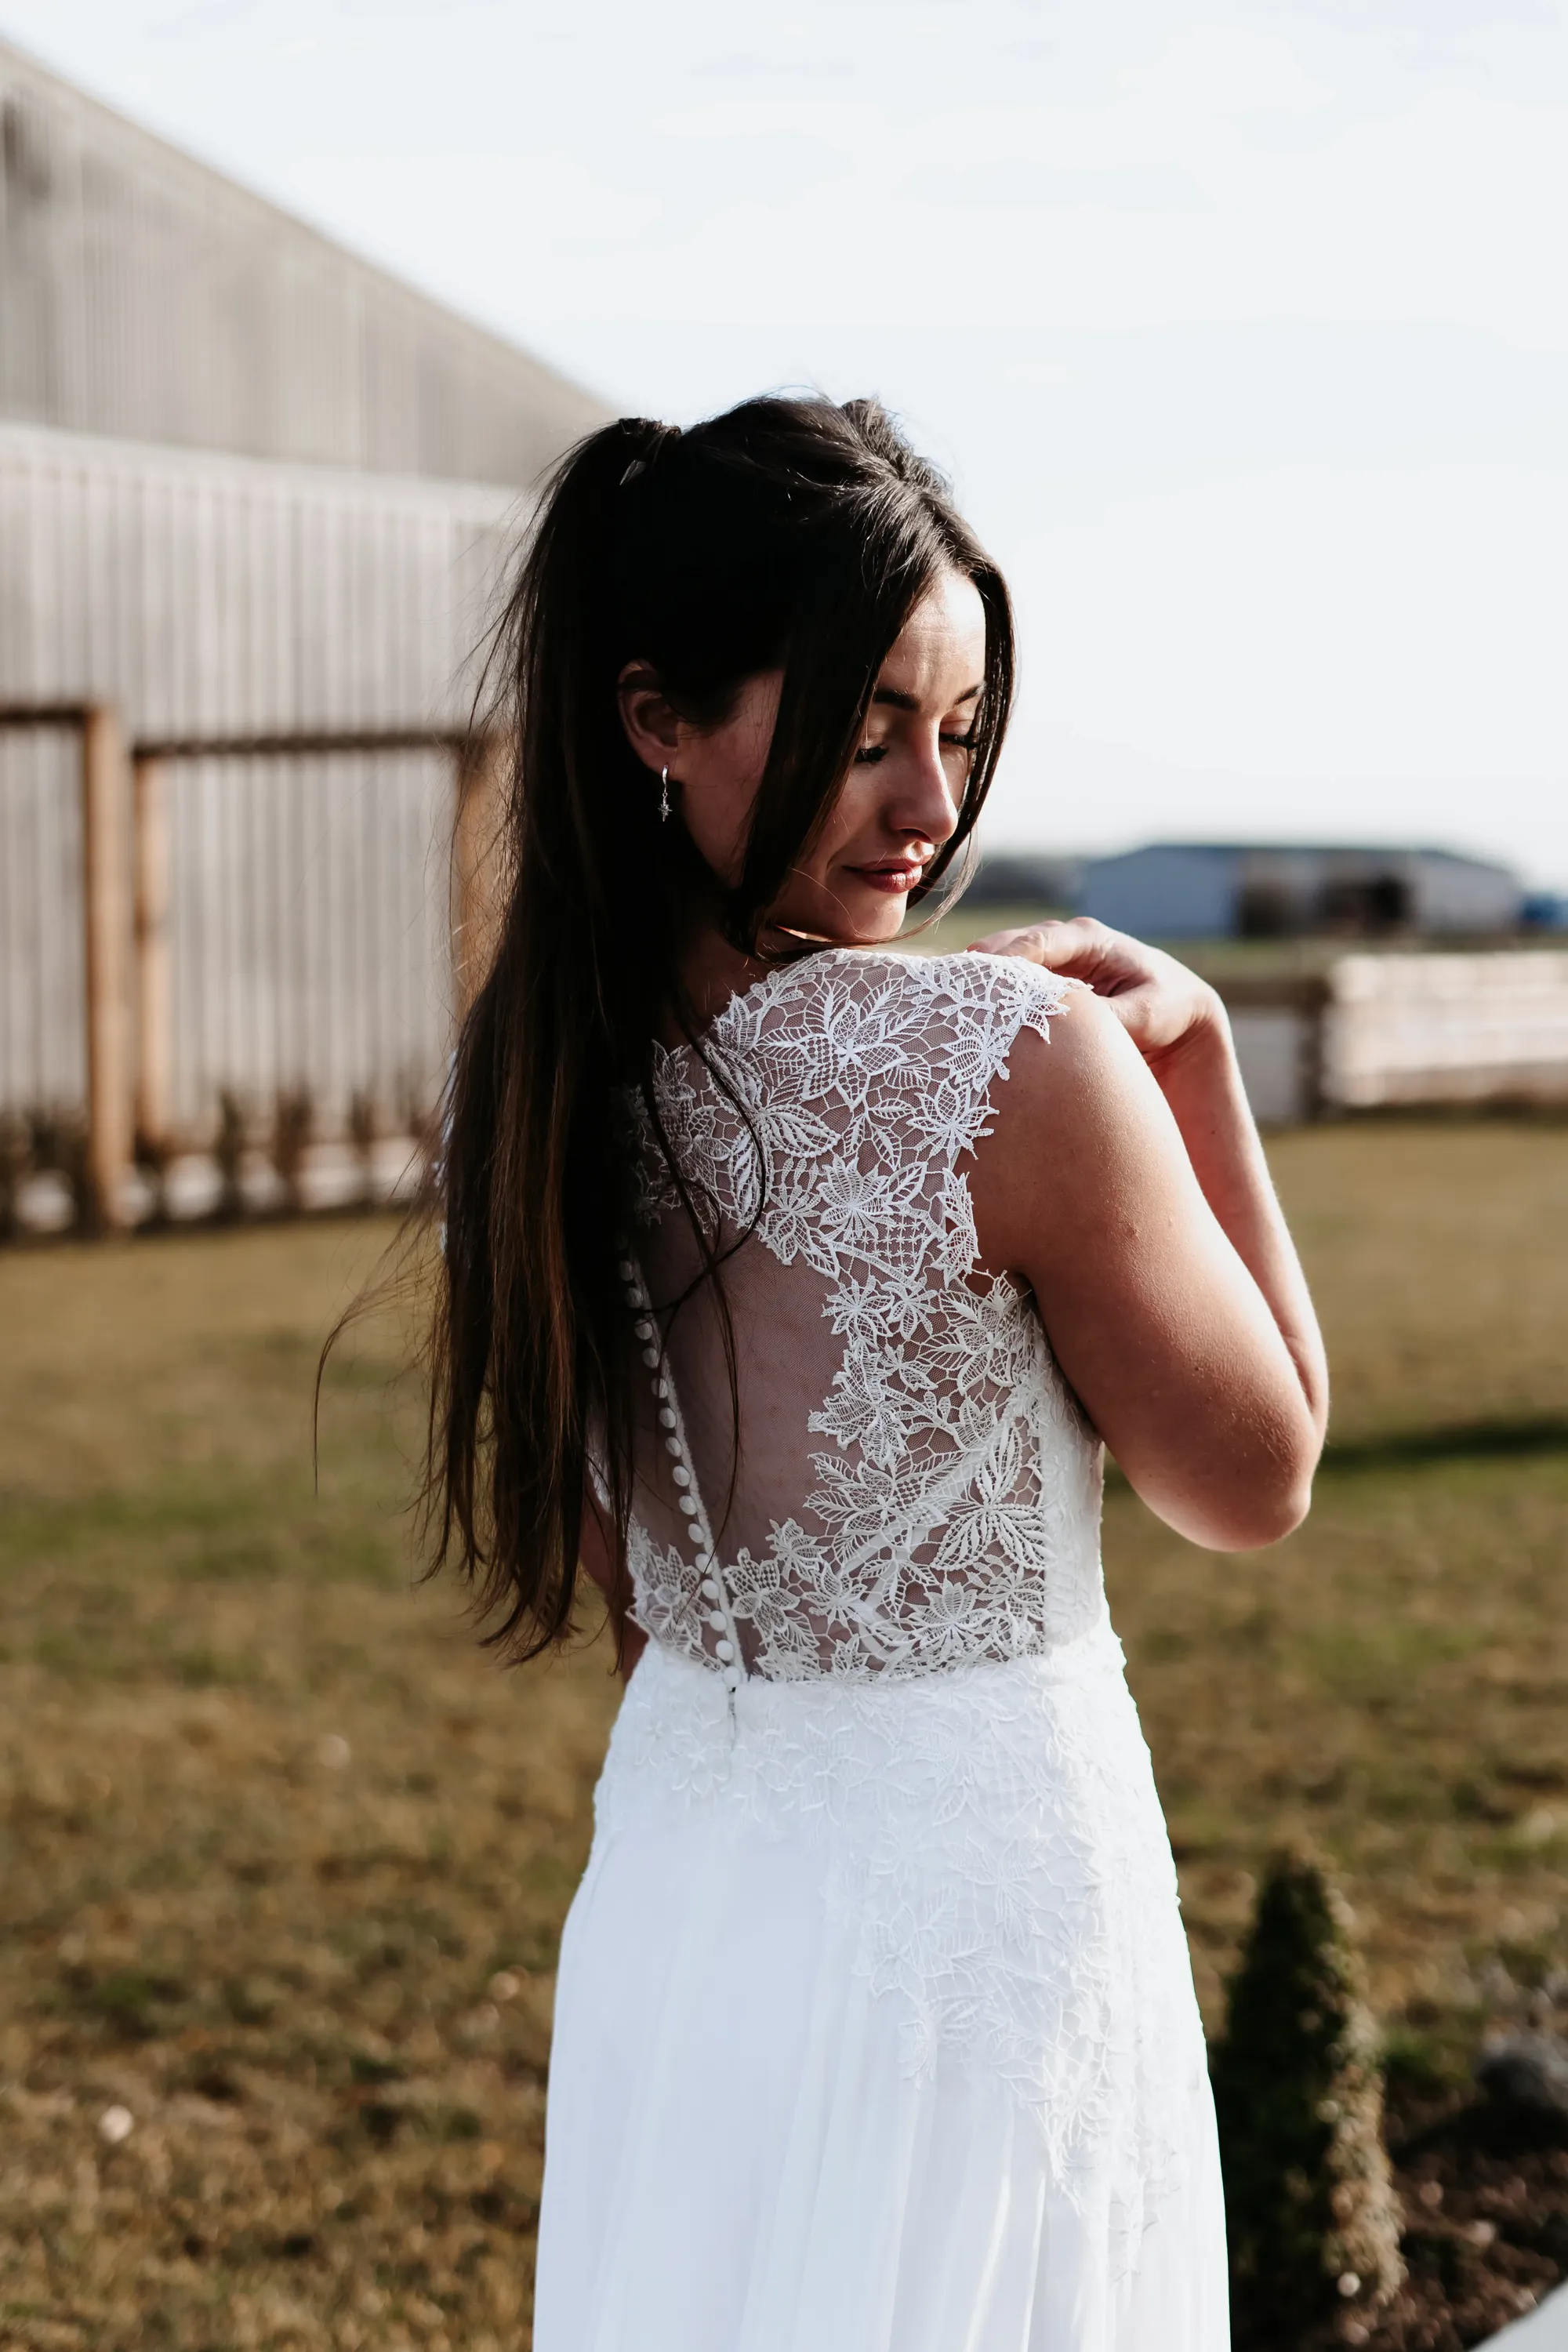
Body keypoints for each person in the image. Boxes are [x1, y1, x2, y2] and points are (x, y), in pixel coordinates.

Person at [428, 394, 1328, 2352]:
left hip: (680, 1887)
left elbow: (634, 1585)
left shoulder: (521, 1084)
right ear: (655, 719)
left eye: (962, 730)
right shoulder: (1015, 1063)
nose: (931, 800)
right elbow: (1256, 1477)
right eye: (863, 730)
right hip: (977, 1916)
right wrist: (1197, 1074)